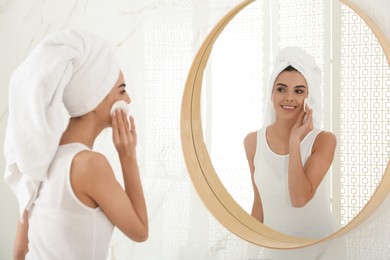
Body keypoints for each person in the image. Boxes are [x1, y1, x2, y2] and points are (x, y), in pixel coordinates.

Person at [4, 29, 148, 259]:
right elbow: (140, 231)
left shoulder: (40, 158)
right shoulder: (90, 165)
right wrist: (127, 155)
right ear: (97, 96)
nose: (128, 100)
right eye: (122, 90)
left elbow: (19, 252)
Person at [244, 47, 340, 258]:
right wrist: (250, 254)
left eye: (298, 91)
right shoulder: (253, 142)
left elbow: (299, 198)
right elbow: (259, 204)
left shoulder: (323, 141)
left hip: (321, 250)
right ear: (271, 93)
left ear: (309, 97)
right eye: (281, 89)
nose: (289, 97)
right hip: (275, 252)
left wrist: (295, 140)